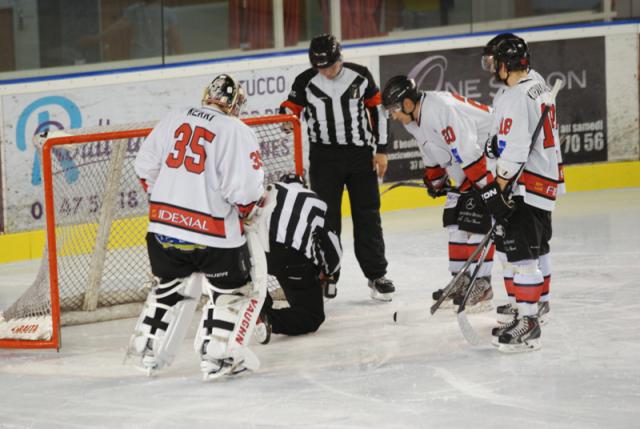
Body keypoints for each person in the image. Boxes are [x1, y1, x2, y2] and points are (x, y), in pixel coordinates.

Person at [129, 74, 266, 379]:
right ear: (235, 103)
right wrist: (247, 211)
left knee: (169, 287)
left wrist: (169, 200)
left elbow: (144, 168)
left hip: (163, 231)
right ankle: (218, 358)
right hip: (214, 238)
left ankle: (147, 350)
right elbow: (245, 192)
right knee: (228, 293)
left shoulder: (174, 116)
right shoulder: (236, 130)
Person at [279, 33, 395, 302]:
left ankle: (376, 275)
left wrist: (382, 151)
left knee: (367, 216)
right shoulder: (305, 80)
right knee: (325, 219)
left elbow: (378, 112)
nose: (327, 72)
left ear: (340, 59)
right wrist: (287, 118)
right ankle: (327, 274)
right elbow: (290, 107)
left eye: (331, 66)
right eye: (321, 67)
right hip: (323, 158)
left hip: (359, 156)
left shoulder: (360, 75)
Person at [381, 75, 495, 312]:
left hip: (489, 155)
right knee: (454, 217)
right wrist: (436, 181)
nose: (393, 115)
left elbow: (467, 148)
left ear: (408, 104)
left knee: (475, 218)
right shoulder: (412, 121)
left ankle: (482, 284)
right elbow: (432, 152)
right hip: (470, 163)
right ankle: (462, 278)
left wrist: (487, 189)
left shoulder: (439, 109)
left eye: (394, 109)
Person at [479, 37, 562, 352]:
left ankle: (528, 322)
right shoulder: (536, 82)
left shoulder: (515, 96)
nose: (491, 69)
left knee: (521, 254)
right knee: (536, 248)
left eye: (493, 62)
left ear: (505, 64)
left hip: (523, 185)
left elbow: (513, 150)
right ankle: (536, 303)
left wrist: (498, 190)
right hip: (544, 181)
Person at [252, 173, 342, 344]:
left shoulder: (266, 192)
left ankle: (258, 309)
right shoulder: (315, 201)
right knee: (312, 315)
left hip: (257, 253)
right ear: (304, 186)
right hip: (290, 258)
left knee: (258, 282)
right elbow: (333, 247)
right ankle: (269, 319)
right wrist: (329, 273)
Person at [80, 0, 182, 59]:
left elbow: (116, 28)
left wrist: (96, 38)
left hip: (139, 59)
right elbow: (175, 40)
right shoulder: (168, 13)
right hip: (158, 59)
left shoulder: (134, 11)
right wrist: (182, 60)